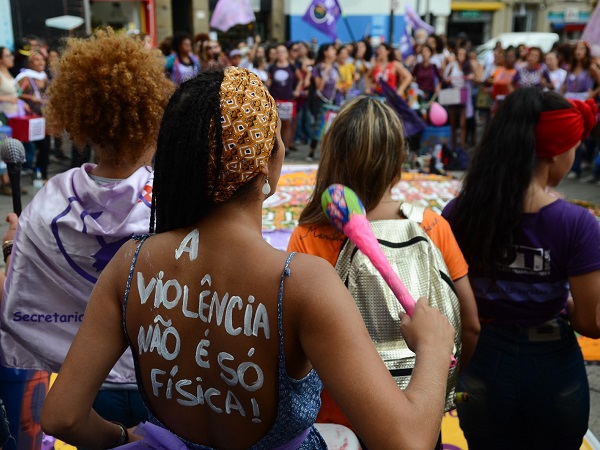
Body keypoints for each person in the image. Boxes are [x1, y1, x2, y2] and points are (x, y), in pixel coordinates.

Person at [41, 67, 455, 450]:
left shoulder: (130, 265)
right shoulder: (304, 284)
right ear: (266, 163)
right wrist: (434, 348)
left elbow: (62, 416)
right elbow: (408, 442)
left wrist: (127, 438)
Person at [0, 28, 174, 443]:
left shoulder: (50, 199)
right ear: (152, 116)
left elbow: (22, 297)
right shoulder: (175, 196)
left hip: (86, 381)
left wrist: (14, 245)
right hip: (164, 374)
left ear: (80, 119)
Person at [287, 95, 480, 437]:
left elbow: (294, 345)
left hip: (339, 422)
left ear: (332, 156)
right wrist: (443, 381)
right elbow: (471, 326)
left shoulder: (309, 235)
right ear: (399, 159)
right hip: (421, 410)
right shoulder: (433, 227)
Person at [442, 88, 600, 449]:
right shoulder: (577, 224)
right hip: (553, 367)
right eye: (574, 148)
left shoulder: (458, 213)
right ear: (556, 152)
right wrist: (564, 303)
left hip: (480, 362)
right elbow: (592, 323)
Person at [16, 50, 51, 179]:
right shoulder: (25, 77)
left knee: (45, 148)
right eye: (37, 60)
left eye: (42, 59)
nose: (41, 62)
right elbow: (16, 94)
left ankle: (41, 174)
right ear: (30, 63)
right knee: (43, 147)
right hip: (31, 119)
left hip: (44, 118)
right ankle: (39, 174)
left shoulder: (44, 76)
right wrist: (31, 98)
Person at [306, 43, 340, 162]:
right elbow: (319, 87)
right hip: (320, 101)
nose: (334, 52)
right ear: (325, 52)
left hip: (332, 101)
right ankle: (311, 151)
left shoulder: (335, 67)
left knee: (330, 127)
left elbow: (337, 84)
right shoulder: (318, 68)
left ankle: (326, 153)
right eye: (331, 49)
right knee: (319, 126)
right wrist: (325, 72)